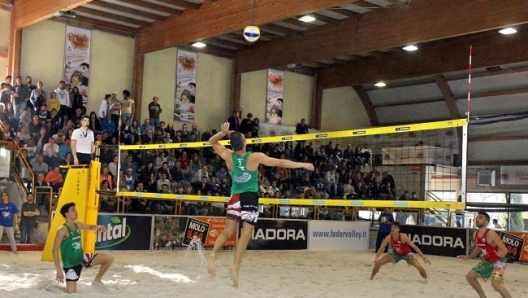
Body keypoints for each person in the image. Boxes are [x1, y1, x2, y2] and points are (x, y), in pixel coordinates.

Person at [207, 122, 314, 287]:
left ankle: (214, 254)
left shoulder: (229, 156)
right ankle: (235, 266)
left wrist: (222, 133)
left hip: (235, 196)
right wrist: (303, 164)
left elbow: (212, 142)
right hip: (249, 197)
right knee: (246, 234)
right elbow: (281, 163)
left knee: (228, 231)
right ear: (245, 143)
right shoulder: (254, 156)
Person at [52, 202, 114, 294]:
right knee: (71, 293)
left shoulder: (77, 224)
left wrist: (99, 227)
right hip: (71, 265)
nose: (76, 211)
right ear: (66, 214)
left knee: (109, 259)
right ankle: (51, 287)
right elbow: (54, 250)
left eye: (75, 209)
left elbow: (89, 226)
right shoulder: (62, 230)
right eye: (73, 210)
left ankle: (97, 280)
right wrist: (58, 269)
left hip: (82, 258)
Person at [458, 212, 511, 298]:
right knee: (470, 277)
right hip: (487, 261)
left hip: (499, 262)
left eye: (480, 218)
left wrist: (499, 255)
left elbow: (504, 249)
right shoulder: (475, 234)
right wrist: (468, 257)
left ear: (486, 222)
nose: (477, 219)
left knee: (495, 284)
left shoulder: (491, 233)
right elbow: (478, 249)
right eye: (477, 217)